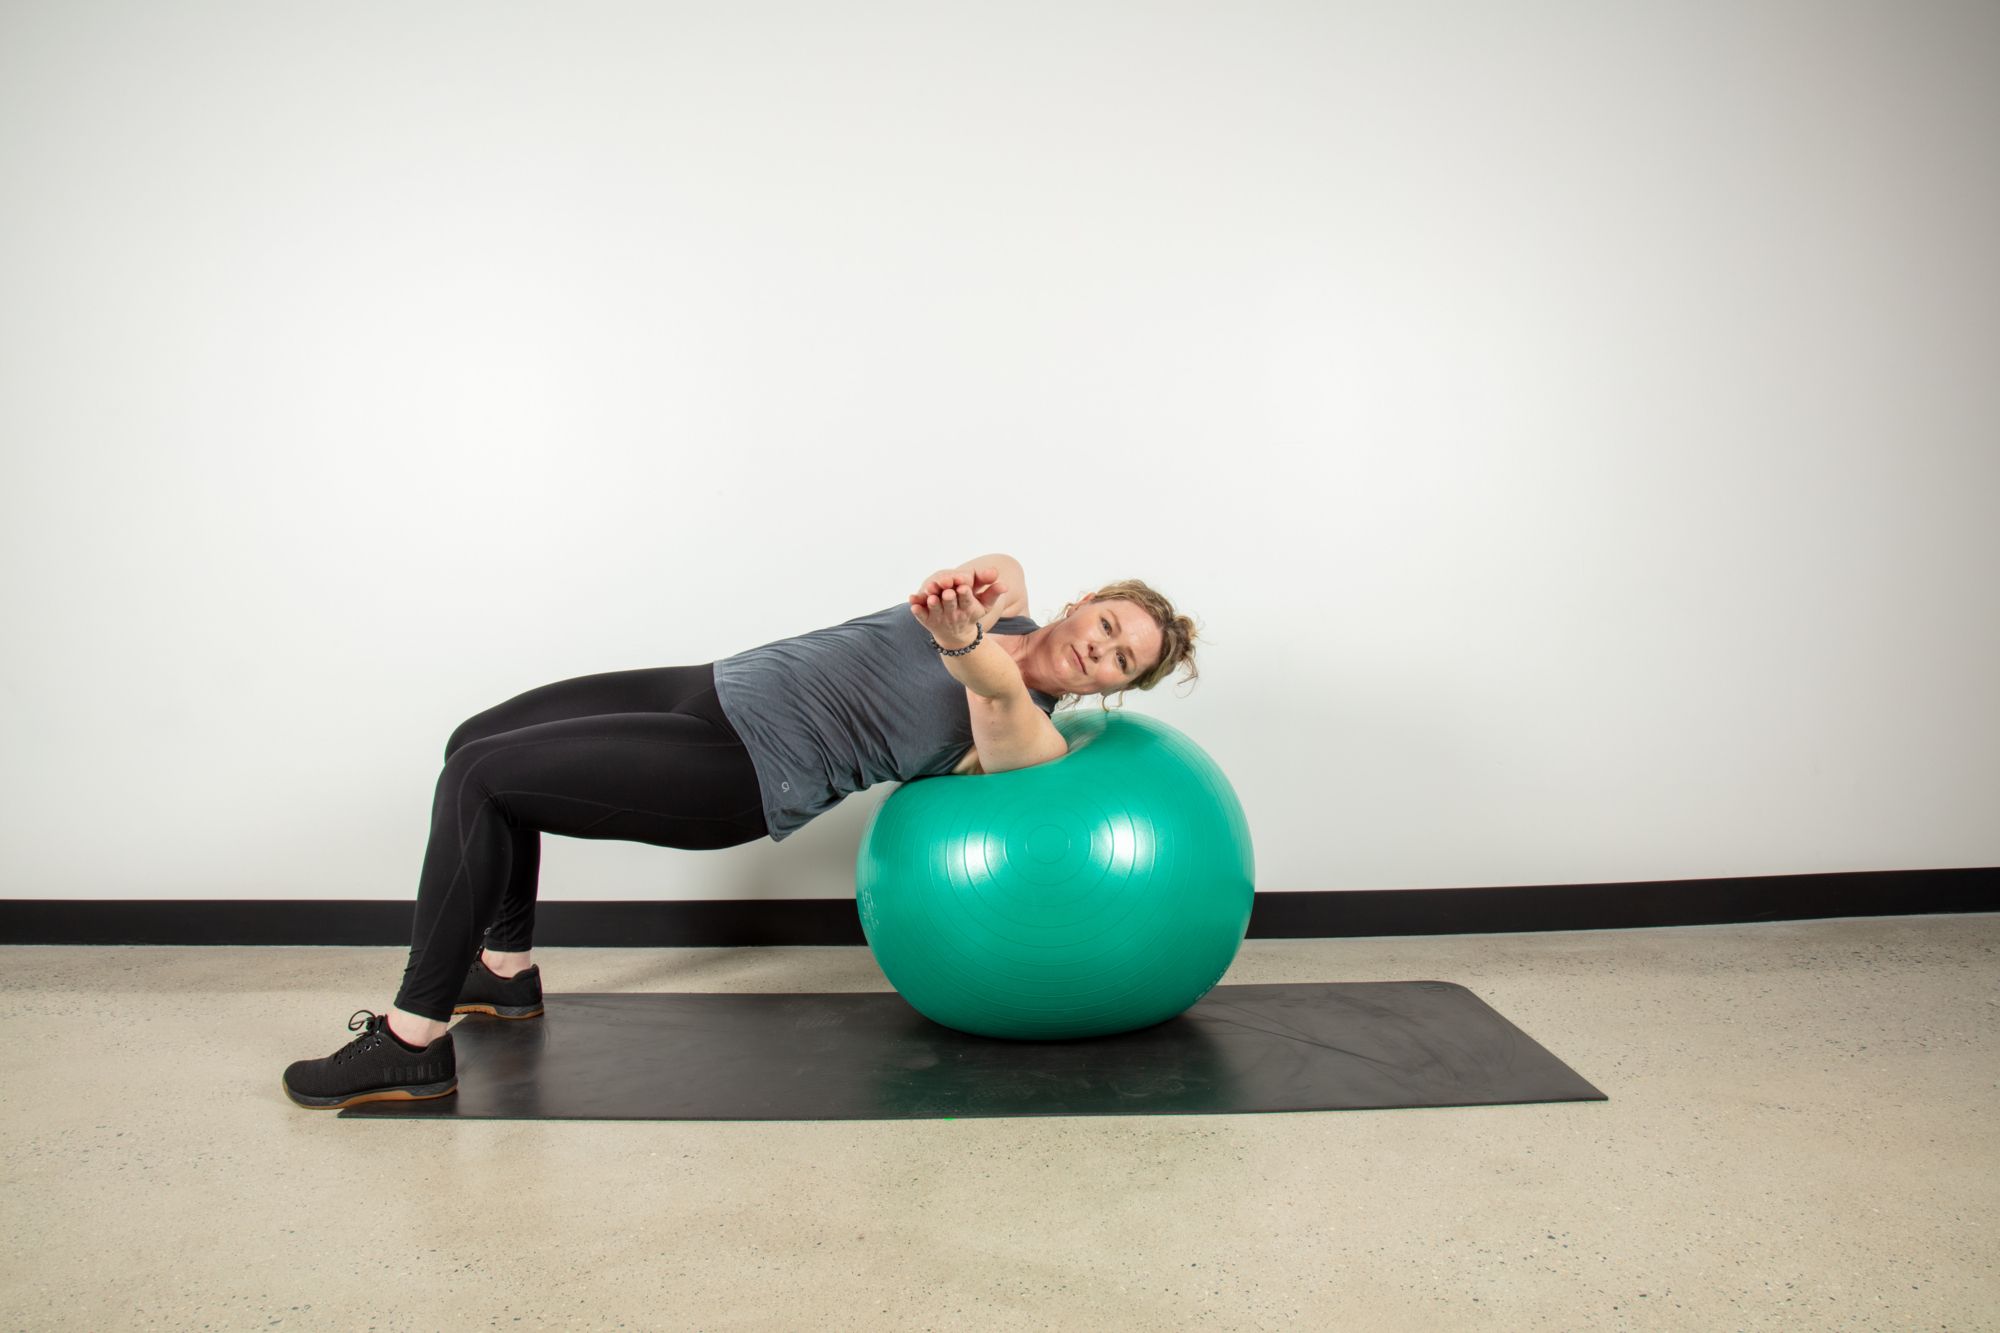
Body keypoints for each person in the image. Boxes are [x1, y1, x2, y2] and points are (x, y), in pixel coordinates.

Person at [281, 556, 1201, 1109]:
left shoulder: (1027, 724)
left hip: (743, 776)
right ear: (1087, 601)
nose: (1102, 646)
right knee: (473, 743)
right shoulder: (1014, 607)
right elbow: (1003, 562)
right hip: (708, 687)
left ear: (1112, 688)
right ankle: (504, 971)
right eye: (1110, 622)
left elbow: (993, 691)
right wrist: (983, 585)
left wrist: (965, 637)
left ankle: (413, 1038)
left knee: (482, 782)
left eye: (1124, 660)